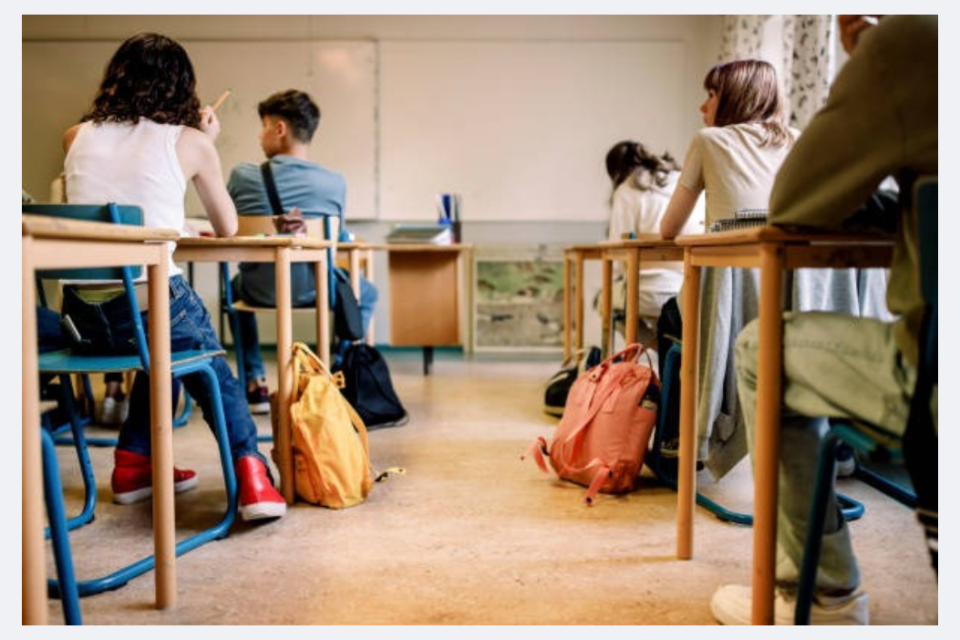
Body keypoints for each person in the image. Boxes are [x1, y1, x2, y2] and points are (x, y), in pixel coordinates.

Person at [709, 15, 936, 625]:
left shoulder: (911, 44)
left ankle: (823, 593)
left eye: (709, 93)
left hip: (938, 384)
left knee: (759, 349)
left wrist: (866, 50)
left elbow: (795, 202)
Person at [59, 32, 286, 522]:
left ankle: (134, 465)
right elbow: (227, 227)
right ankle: (252, 474)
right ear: (181, 87)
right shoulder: (191, 141)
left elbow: (108, 206)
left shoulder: (75, 135)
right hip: (145, 303)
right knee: (206, 361)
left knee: (160, 350)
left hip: (80, 318)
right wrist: (206, 137)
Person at [655, 59, 800, 476]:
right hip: (791, 302)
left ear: (734, 98)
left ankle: (679, 438)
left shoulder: (709, 140)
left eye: (711, 95)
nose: (703, 107)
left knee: (670, 316)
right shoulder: (798, 140)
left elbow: (668, 230)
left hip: (729, 302)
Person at [226, 89, 378, 414]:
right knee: (366, 291)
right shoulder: (334, 183)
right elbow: (335, 238)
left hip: (257, 290)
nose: (259, 135)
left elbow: (228, 227)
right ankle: (332, 371)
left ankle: (254, 381)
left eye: (263, 126)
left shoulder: (242, 176)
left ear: (279, 129)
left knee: (230, 290)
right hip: (315, 288)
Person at [599, 141, 704, 363]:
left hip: (645, 291)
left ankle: (660, 347)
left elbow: (618, 253)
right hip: (688, 288)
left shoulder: (628, 189)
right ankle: (671, 346)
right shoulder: (685, 181)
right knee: (669, 319)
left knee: (603, 301)